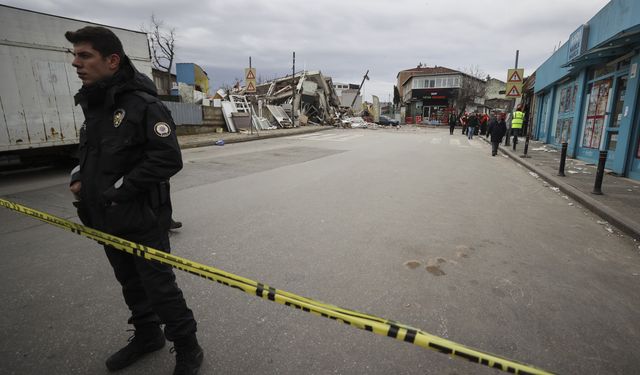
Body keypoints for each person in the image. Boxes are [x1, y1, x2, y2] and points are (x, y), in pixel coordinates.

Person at [66, 26, 203, 375]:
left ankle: (188, 346)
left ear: (112, 60)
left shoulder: (142, 105)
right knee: (129, 282)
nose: (75, 63)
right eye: (74, 55)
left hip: (141, 217)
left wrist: (118, 192)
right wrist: (79, 177)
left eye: (84, 55)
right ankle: (147, 335)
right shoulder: (96, 102)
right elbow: (95, 154)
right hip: (105, 217)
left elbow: (167, 158)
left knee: (160, 288)